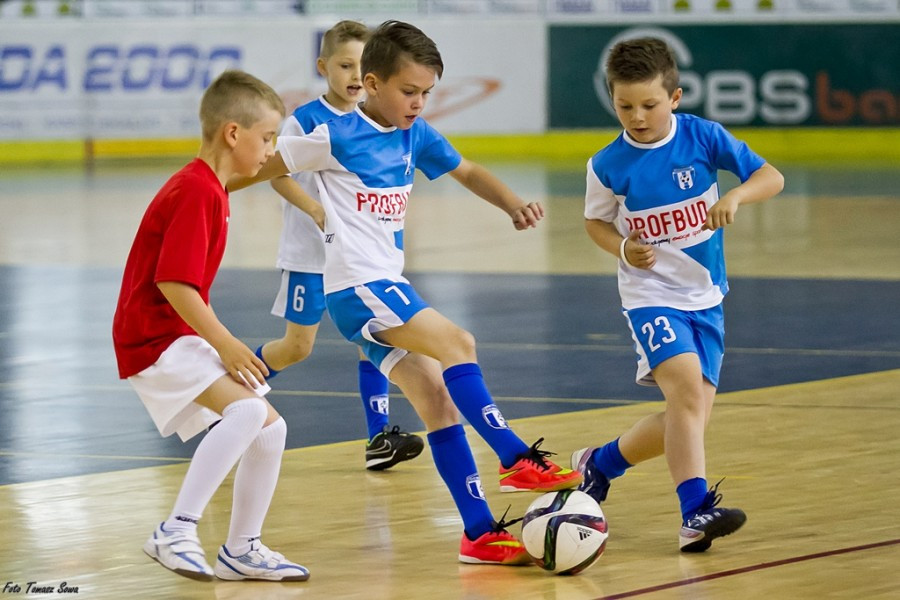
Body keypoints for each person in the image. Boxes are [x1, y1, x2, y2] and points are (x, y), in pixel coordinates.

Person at [231, 20, 582, 565]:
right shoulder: (333, 135)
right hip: (356, 287)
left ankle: (478, 533)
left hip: (384, 285)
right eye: (408, 91)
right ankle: (514, 457)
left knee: (438, 400)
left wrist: (512, 203)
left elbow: (466, 171)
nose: (418, 103)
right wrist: (199, 192)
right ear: (372, 84)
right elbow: (252, 171)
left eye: (426, 93)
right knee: (458, 342)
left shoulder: (416, 134)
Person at [572, 37, 784, 553]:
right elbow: (595, 223)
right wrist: (623, 248)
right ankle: (695, 511)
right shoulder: (608, 164)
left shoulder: (704, 138)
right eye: (625, 106)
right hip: (649, 295)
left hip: (706, 295)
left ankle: (599, 464)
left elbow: (770, 176)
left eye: (649, 104)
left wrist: (736, 192)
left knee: (688, 418)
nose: (637, 116)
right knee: (687, 395)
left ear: (675, 96)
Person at [112, 70, 309, 582]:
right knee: (245, 411)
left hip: (172, 333)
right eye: (267, 137)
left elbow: (182, 285)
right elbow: (173, 284)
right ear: (232, 133)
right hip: (153, 337)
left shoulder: (210, 187)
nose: (270, 150)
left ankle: (242, 549)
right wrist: (223, 342)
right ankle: (175, 530)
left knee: (270, 427)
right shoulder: (198, 190)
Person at [258, 20, 424, 472]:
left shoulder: (380, 121)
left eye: (362, 65)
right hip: (311, 255)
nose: (354, 74)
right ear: (322, 67)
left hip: (358, 260)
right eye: (344, 65)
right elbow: (275, 173)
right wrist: (314, 209)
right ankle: (230, 393)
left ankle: (378, 437)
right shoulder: (306, 120)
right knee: (296, 348)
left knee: (373, 340)